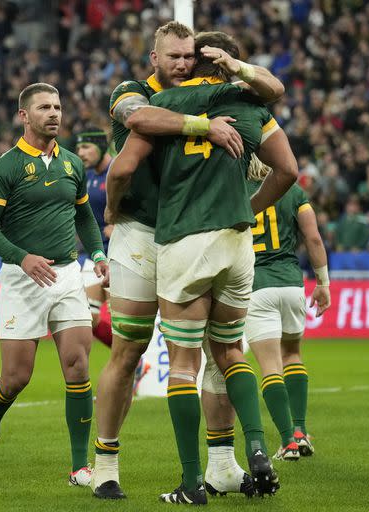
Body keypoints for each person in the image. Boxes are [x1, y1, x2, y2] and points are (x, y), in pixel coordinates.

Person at [93, 21, 284, 501]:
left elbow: (270, 89)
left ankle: (221, 464)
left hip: (188, 234)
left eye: (187, 57)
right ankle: (105, 463)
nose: (181, 64)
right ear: (153, 59)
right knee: (129, 350)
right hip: (141, 232)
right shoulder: (132, 92)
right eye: (172, 57)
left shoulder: (212, 94)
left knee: (219, 355)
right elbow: (138, 120)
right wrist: (205, 127)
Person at [0, 83, 108, 488]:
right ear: (23, 116)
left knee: (78, 365)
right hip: (21, 278)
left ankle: (80, 466)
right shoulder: (6, 167)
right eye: (44, 107)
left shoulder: (71, 165)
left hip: (67, 274)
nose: (54, 113)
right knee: (15, 378)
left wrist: (97, 255)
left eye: (58, 106)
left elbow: (84, 217)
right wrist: (21, 257)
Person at [243, 157, 330, 461]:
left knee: (269, 365)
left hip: (256, 286)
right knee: (292, 355)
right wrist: (323, 283)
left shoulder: (237, 190)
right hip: (292, 285)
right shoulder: (292, 191)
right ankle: (301, 431)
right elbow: (314, 238)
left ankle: (287, 442)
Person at [74, 129, 113, 348]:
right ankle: (134, 364)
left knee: (127, 323)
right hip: (95, 255)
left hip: (119, 254)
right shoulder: (86, 176)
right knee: (89, 318)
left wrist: (123, 225)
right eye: (79, 148)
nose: (81, 153)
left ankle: (135, 362)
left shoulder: (118, 170)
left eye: (87, 147)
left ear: (101, 147)